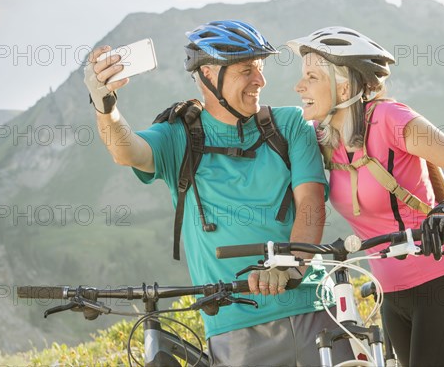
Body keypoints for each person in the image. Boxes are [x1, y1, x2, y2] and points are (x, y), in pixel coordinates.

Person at [84, 20, 353, 367]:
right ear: (209, 74)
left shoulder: (289, 124)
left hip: (314, 310)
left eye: (260, 69)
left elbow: (311, 204)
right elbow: (127, 150)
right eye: (247, 71)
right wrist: (105, 106)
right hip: (235, 327)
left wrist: (289, 266)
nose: (261, 80)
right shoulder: (178, 134)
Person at [289, 26, 444, 367]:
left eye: (311, 76)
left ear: (343, 84)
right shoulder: (325, 137)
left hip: (440, 281)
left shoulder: (389, 120)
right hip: (389, 293)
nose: (299, 86)